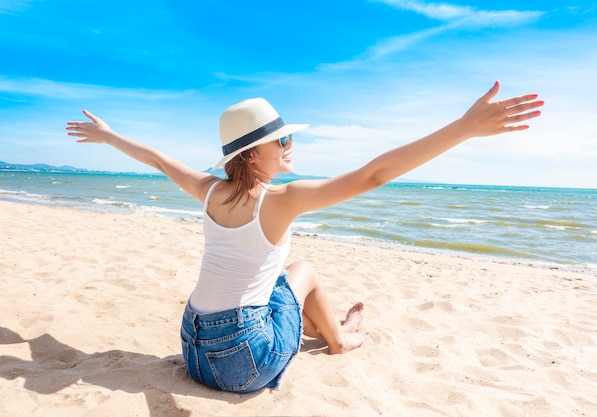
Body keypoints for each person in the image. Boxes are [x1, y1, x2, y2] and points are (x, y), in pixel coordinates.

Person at [66, 81, 543, 393]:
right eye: (282, 141)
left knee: (277, 281)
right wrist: (462, 128)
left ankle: (322, 328)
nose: (291, 146)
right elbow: (374, 174)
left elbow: (155, 158)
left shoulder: (208, 189)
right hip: (238, 363)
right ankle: (339, 339)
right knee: (305, 271)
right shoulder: (282, 200)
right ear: (254, 156)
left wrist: (109, 136)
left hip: (193, 348)